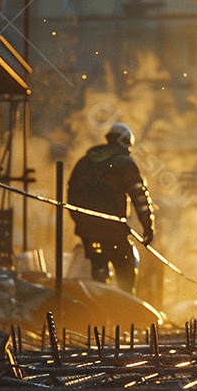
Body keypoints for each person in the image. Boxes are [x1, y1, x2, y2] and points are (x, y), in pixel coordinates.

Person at [67, 122, 154, 295]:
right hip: (114, 232)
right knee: (126, 270)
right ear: (125, 143)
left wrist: (83, 224)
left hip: (88, 232)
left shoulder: (84, 163)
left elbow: (71, 198)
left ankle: (101, 311)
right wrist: (148, 226)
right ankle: (124, 313)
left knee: (99, 270)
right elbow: (140, 198)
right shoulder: (125, 164)